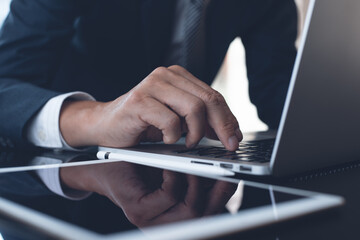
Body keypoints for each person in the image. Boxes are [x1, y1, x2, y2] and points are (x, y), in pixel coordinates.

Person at [0, 0, 297, 151]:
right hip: (65, 184)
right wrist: (97, 117)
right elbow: (5, 85)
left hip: (184, 169)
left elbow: (279, 96)